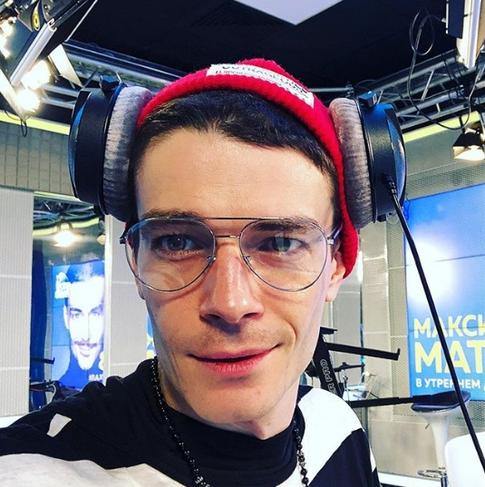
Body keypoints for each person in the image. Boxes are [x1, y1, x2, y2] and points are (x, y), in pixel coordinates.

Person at [0, 59, 380, 486]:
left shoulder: (339, 432)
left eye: (279, 243)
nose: (230, 304)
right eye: (178, 242)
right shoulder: (27, 471)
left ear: (337, 265)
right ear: (135, 259)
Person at [57, 260, 105, 389]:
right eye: (76, 315)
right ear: (66, 316)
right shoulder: (58, 391)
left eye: (96, 314)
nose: (86, 335)